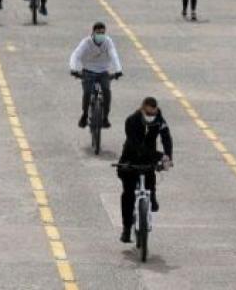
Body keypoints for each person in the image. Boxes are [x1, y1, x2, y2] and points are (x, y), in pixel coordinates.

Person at [117, 97, 173, 243]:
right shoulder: (131, 120)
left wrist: (168, 157)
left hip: (148, 160)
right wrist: (158, 156)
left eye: (153, 113)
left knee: (150, 179)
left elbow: (166, 138)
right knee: (128, 195)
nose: (151, 116)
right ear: (142, 109)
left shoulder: (159, 120)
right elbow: (135, 144)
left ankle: (151, 197)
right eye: (148, 114)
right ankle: (126, 229)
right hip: (130, 159)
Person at [69, 22, 122, 129]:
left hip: (103, 71)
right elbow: (75, 55)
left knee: (106, 91)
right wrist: (73, 68)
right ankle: (84, 115)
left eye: (102, 33)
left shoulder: (108, 42)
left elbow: (114, 55)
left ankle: (105, 117)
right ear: (93, 32)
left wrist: (118, 70)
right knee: (87, 92)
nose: (100, 35)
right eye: (98, 33)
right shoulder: (86, 42)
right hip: (88, 71)